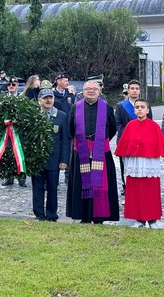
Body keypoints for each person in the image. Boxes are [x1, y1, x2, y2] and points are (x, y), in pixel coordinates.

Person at [66, 80, 119, 224]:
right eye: (88, 89)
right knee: (82, 184)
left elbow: (112, 128)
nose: (91, 91)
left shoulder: (107, 108)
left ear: (99, 91)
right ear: (83, 92)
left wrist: (98, 142)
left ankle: (98, 216)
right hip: (81, 152)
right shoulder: (75, 108)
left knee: (100, 184)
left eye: (94, 89)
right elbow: (71, 129)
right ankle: (83, 215)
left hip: (101, 152)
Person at [115, 99, 164, 228]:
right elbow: (124, 145)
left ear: (147, 110)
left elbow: (160, 144)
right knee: (135, 191)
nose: (140, 109)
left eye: (142, 107)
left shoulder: (154, 126)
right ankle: (139, 219)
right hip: (134, 163)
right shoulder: (130, 126)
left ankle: (153, 220)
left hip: (150, 163)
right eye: (137, 107)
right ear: (134, 110)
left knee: (151, 191)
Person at [32, 89, 69, 221]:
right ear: (39, 100)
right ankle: (39, 214)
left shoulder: (62, 116)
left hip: (54, 159)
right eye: (45, 98)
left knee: (53, 187)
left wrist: (64, 160)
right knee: (37, 187)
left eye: (51, 98)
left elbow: (65, 140)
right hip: (37, 158)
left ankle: (52, 214)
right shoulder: (34, 115)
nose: (48, 101)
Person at [115, 79, 152, 195]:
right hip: (125, 142)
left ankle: (140, 188)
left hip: (142, 142)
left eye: (137, 89)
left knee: (142, 165)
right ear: (128, 90)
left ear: (139, 91)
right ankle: (126, 188)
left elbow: (149, 123)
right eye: (132, 88)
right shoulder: (121, 106)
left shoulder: (145, 105)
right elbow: (118, 124)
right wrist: (129, 135)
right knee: (126, 166)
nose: (134, 91)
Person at [1, 75, 27, 187]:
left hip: (18, 132)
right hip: (5, 132)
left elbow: (26, 115)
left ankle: (21, 178)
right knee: (7, 154)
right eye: (9, 85)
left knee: (20, 154)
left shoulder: (23, 99)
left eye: (13, 85)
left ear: (17, 86)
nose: (11, 86)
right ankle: (8, 177)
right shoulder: (1, 99)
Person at [52, 71, 75, 185]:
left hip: (68, 127)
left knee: (68, 151)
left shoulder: (70, 95)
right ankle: (53, 176)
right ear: (58, 81)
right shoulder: (52, 95)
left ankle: (68, 175)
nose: (67, 82)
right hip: (55, 127)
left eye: (67, 80)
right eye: (64, 80)